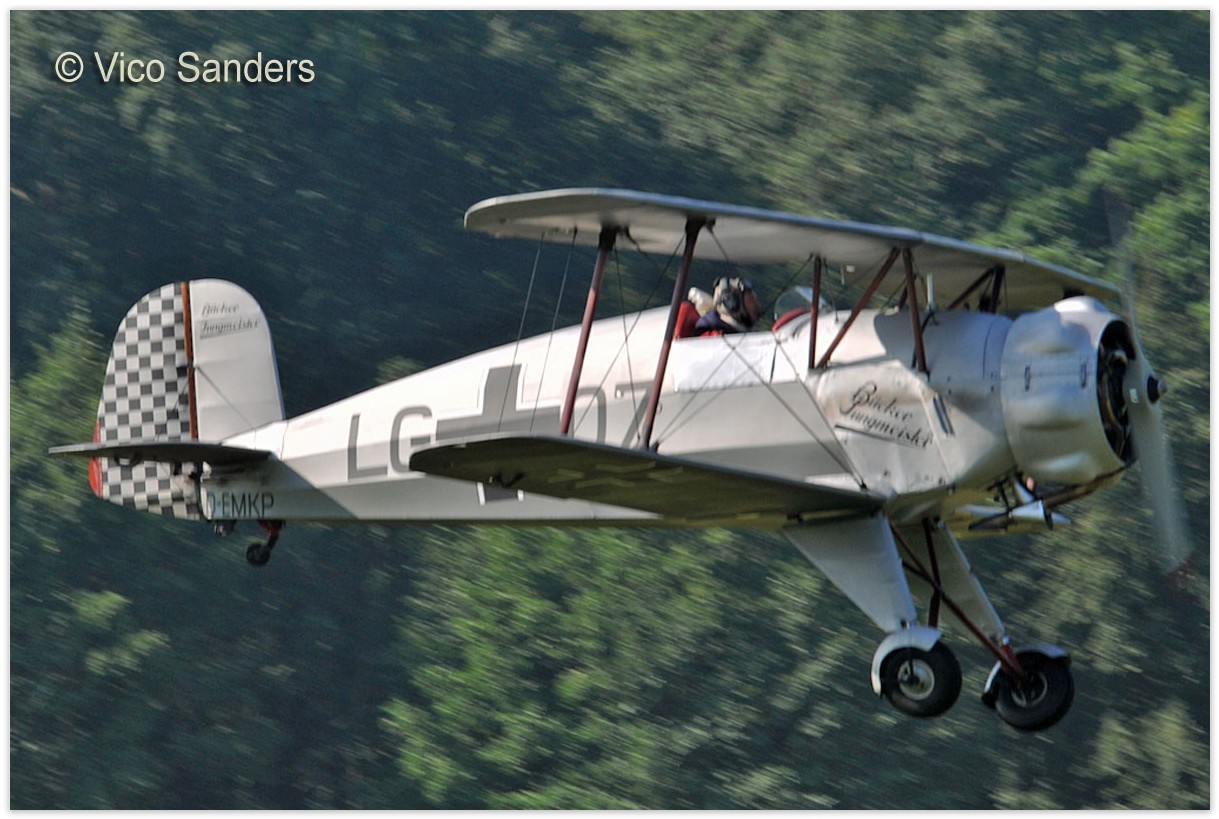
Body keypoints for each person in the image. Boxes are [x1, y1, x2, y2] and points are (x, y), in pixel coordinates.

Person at [694, 277, 760, 336]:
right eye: (751, 299)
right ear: (731, 303)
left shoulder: (748, 334)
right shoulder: (712, 339)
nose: (758, 305)